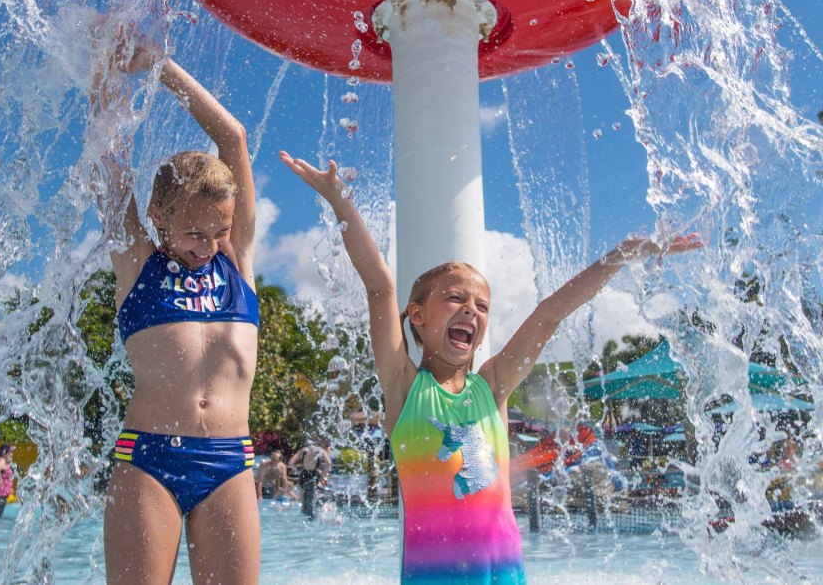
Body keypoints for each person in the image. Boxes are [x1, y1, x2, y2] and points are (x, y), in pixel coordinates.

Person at [281, 151, 702, 583]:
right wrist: (340, 202)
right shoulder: (404, 387)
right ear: (419, 315)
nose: (471, 310)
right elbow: (378, 287)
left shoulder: (492, 387)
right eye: (455, 298)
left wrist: (622, 255)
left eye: (481, 305)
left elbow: (548, 315)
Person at [92, 28, 260, 584]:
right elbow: (107, 156)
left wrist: (160, 66)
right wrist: (105, 74)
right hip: (149, 458)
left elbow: (232, 136)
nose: (207, 244)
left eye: (220, 229)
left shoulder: (235, 263)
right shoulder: (138, 262)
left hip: (230, 461)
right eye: (193, 231)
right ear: (160, 217)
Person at [289, 438, 332, 519]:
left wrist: (297, 472)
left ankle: (303, 515)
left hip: (304, 474)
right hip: (314, 474)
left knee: (303, 497)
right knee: (313, 495)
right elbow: (329, 464)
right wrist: (323, 475)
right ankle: (314, 515)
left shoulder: (304, 450)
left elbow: (291, 462)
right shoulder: (320, 450)